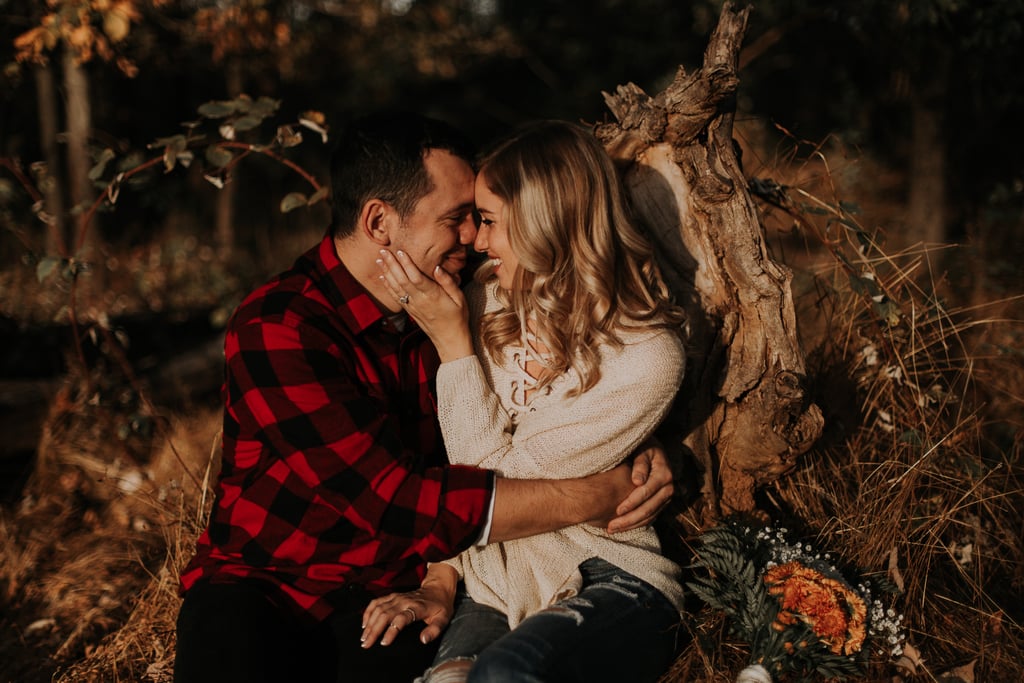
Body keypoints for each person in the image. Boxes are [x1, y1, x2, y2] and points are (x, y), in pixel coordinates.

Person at [172, 112, 677, 683]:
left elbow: (551, 393)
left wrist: (645, 442)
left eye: (479, 218)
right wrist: (599, 492)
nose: (473, 239)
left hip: (398, 587)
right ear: (379, 220)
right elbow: (390, 503)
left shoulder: (453, 299)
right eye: (456, 219)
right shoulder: (280, 326)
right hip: (271, 586)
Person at [363, 120, 687, 683]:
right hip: (491, 580)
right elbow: (460, 479)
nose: (476, 241)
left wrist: (454, 347)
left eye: (489, 222)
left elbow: (490, 482)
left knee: (507, 672)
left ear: (547, 222)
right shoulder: (483, 299)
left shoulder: (646, 356)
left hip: (609, 572)